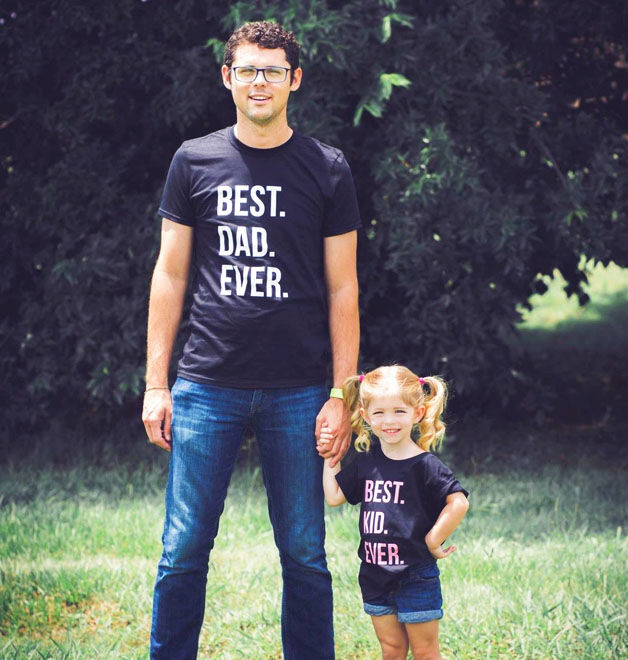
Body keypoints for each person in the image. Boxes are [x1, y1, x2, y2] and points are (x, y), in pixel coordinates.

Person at [141, 20, 361, 660]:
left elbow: (344, 288)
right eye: (246, 70)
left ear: (294, 80)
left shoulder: (327, 168)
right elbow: (170, 274)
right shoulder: (194, 160)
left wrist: (342, 395)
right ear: (226, 78)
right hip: (207, 383)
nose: (258, 81)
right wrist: (158, 384)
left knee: (304, 552)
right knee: (183, 547)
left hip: (299, 388)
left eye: (271, 71)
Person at [320, 365, 469, 660]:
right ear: (365, 416)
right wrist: (329, 457)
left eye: (399, 411)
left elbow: (458, 502)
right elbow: (335, 496)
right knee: (392, 649)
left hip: (415, 575)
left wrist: (433, 539)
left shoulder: (425, 466)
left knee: (425, 652)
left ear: (417, 413)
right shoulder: (366, 464)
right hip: (374, 575)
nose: (389, 421)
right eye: (379, 413)